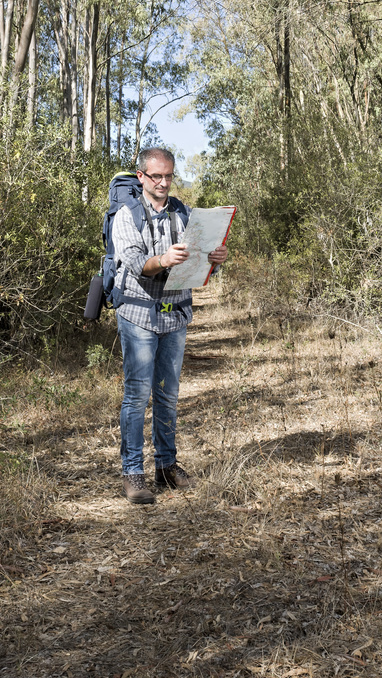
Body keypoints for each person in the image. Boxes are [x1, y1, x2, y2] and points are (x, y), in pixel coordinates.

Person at [112, 146, 228, 504]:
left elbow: (199, 264)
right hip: (138, 314)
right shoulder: (126, 216)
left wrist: (214, 259)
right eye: (156, 176)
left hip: (174, 313)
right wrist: (162, 259)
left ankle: (166, 466)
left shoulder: (184, 213)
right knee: (137, 395)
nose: (163, 183)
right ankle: (133, 472)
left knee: (167, 394)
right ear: (141, 176)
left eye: (168, 176)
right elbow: (136, 264)